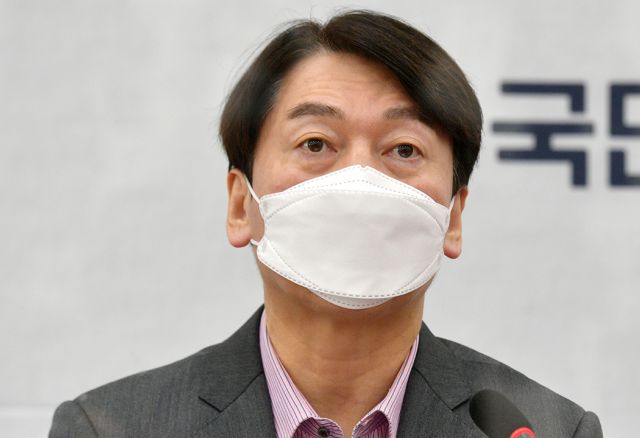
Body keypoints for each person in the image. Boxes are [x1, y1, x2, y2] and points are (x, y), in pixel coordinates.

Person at [50, 10, 602, 438]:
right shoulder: (113, 427)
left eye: (403, 149)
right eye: (316, 144)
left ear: (453, 217)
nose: (359, 179)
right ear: (242, 205)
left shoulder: (542, 430)